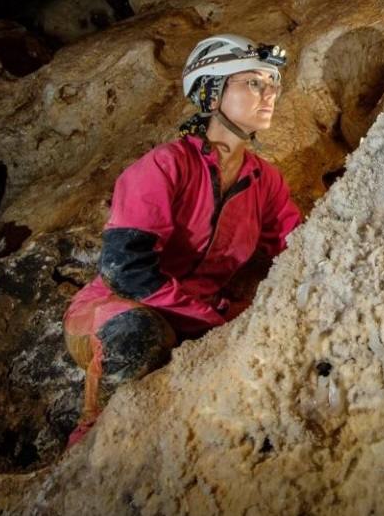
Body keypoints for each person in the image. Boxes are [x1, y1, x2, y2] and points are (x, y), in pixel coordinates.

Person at [62, 33, 302, 447]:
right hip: (117, 311)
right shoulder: (165, 166)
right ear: (211, 94)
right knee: (140, 333)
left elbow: (299, 247)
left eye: (272, 84)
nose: (269, 94)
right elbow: (127, 272)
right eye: (253, 83)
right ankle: (89, 447)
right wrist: (208, 319)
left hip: (198, 316)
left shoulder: (265, 181)